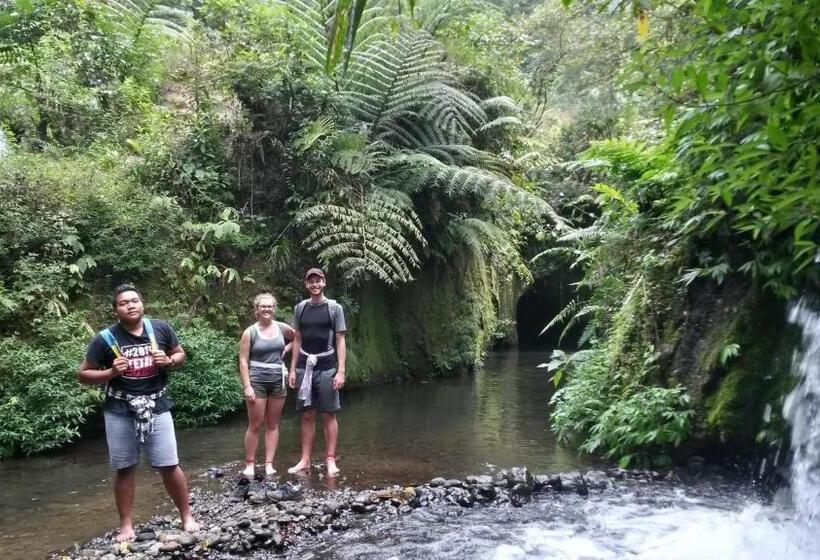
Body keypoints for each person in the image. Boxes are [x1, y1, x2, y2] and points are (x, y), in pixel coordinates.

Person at [78, 284, 199, 542]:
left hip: (157, 404)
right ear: (116, 310)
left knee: (170, 464)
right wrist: (111, 372)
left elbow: (180, 354)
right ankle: (126, 526)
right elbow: (84, 374)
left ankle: (187, 516)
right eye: (123, 303)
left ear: (142, 304)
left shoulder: (161, 329)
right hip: (120, 408)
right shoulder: (105, 339)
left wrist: (169, 361)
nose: (130, 305)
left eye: (134, 301)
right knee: (125, 468)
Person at [287, 268, 347, 476]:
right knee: (307, 414)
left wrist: (341, 371)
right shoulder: (301, 308)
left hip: (327, 367)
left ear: (324, 283)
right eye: (311, 281)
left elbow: (340, 340)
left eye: (318, 281)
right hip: (304, 367)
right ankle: (305, 460)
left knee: (329, 413)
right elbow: (297, 339)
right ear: (306, 285)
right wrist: (292, 369)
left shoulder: (334, 308)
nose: (315, 284)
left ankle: (330, 459)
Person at [238, 292, 295, 477]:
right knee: (255, 424)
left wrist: (286, 349)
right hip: (257, 380)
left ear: (274, 309)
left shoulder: (282, 328)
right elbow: (243, 361)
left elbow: (297, 338)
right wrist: (247, 386)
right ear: (257, 309)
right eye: (263, 306)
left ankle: (269, 463)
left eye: (270, 306)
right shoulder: (250, 332)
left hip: (278, 379)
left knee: (273, 424)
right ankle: (250, 464)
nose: (266, 309)